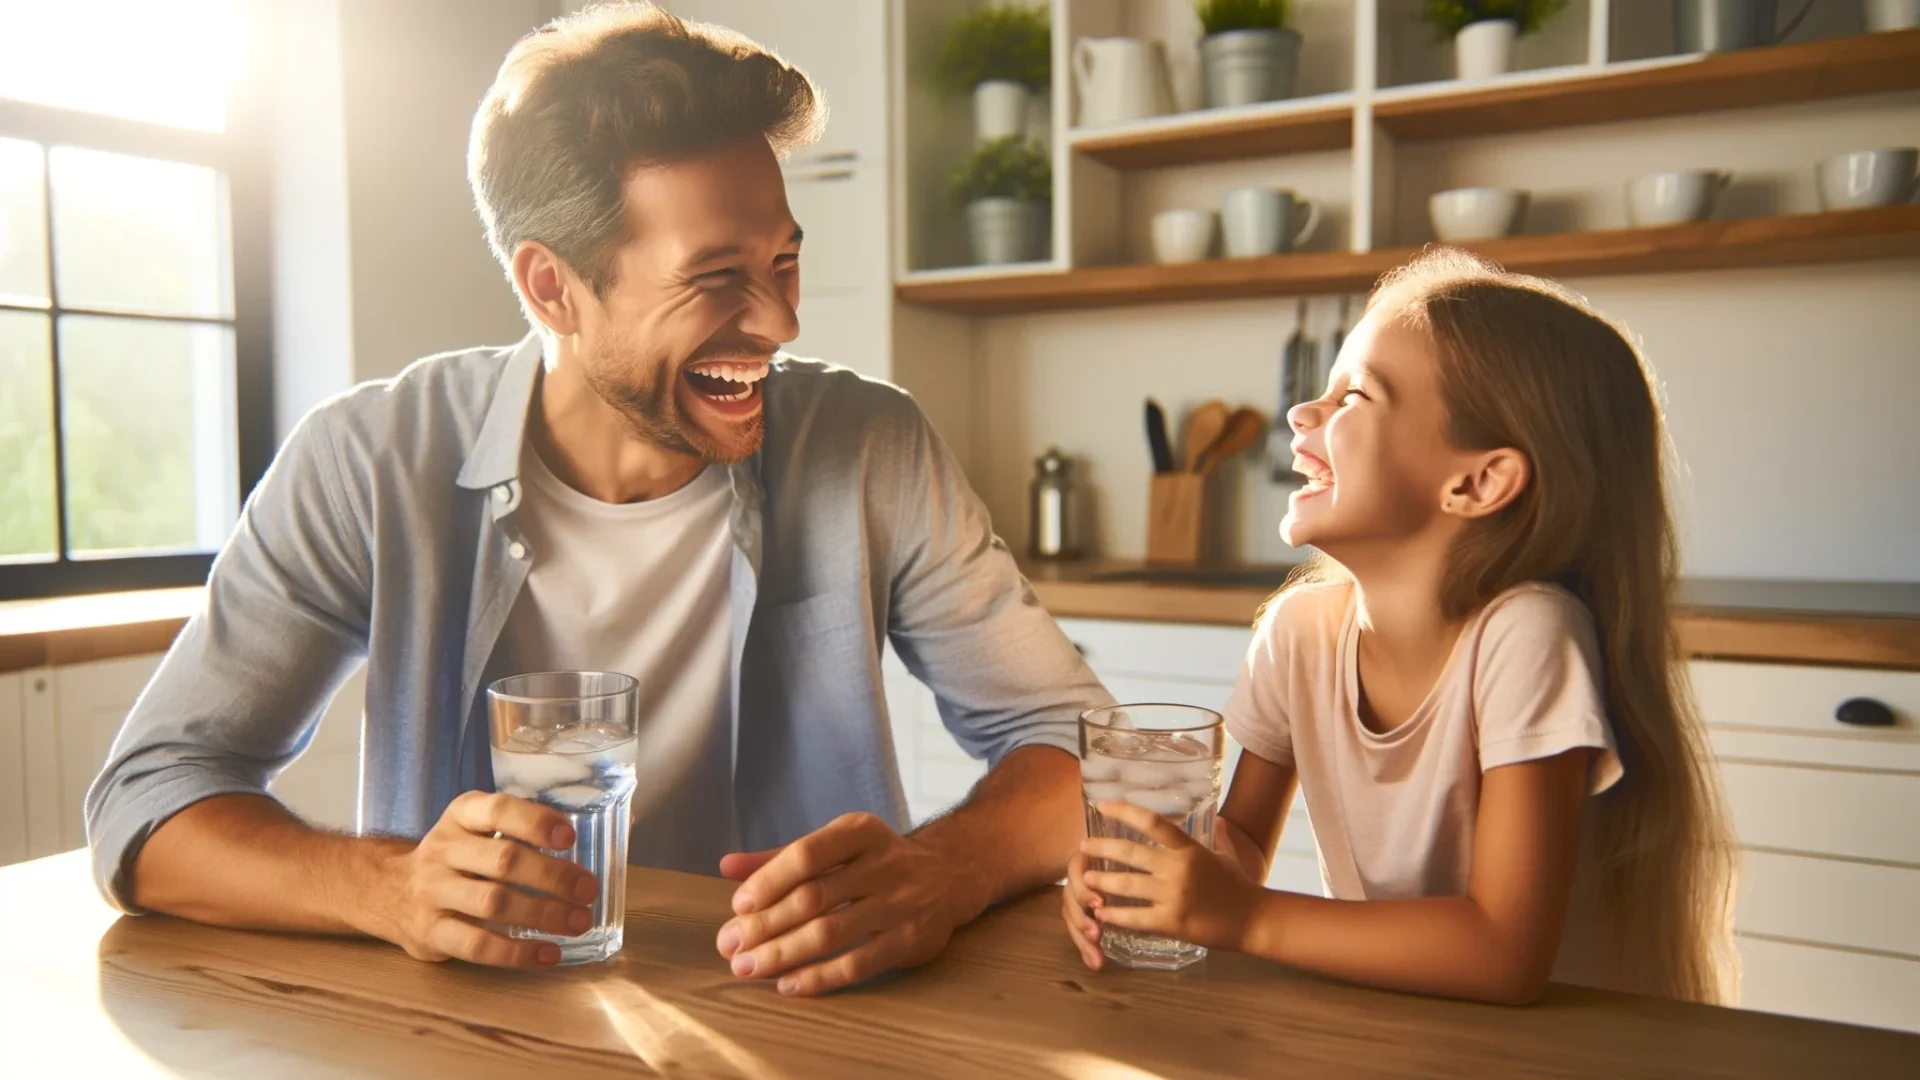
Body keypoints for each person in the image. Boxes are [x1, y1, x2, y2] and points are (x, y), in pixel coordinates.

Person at [87, 2, 1110, 997]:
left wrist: (949, 867)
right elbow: (147, 802)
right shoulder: (369, 461)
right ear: (551, 288)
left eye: (784, 261)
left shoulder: (871, 446)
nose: (780, 322)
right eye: (716, 277)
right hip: (479, 1032)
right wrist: (388, 888)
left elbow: (1081, 746)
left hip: (802, 1019)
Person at [1061, 249, 1739, 1005]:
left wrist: (1245, 918)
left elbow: (1503, 954)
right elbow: (1241, 848)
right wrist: (1146, 881)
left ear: (1477, 482)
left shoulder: (1528, 636)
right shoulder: (1300, 633)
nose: (1301, 413)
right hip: (1409, 1027)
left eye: (1354, 396)